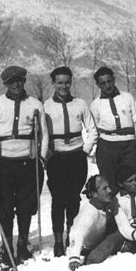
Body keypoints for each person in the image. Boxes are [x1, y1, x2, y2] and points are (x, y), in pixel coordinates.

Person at [0, 66, 48, 266]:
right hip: (2, 164)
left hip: (27, 163)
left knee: (25, 206)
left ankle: (22, 243)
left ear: (24, 81)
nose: (16, 85)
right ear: (5, 84)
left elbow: (44, 134)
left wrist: (42, 158)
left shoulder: (35, 104)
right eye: (11, 81)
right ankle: (6, 247)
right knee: (4, 208)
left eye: (19, 80)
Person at [44, 67, 98, 257]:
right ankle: (58, 240)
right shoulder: (46, 107)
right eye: (60, 82)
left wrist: (85, 149)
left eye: (67, 82)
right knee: (58, 199)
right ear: (53, 83)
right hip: (56, 158)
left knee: (74, 198)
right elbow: (42, 135)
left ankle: (72, 236)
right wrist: (46, 154)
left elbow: (92, 130)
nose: (64, 86)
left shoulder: (80, 104)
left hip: (76, 156)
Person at [90, 67, 136, 194]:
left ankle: (135, 211)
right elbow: (94, 129)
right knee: (109, 183)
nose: (107, 86)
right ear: (98, 85)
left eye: (109, 81)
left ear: (114, 80)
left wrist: (133, 142)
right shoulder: (95, 104)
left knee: (133, 181)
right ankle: (113, 212)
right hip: (107, 147)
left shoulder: (127, 97)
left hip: (128, 145)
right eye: (103, 83)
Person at [68, 175, 124, 271]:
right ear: (94, 194)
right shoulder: (90, 211)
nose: (110, 191)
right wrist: (74, 257)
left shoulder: (103, 205)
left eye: (108, 187)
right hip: (87, 248)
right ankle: (92, 260)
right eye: (105, 188)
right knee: (115, 237)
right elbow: (78, 231)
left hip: (97, 242)